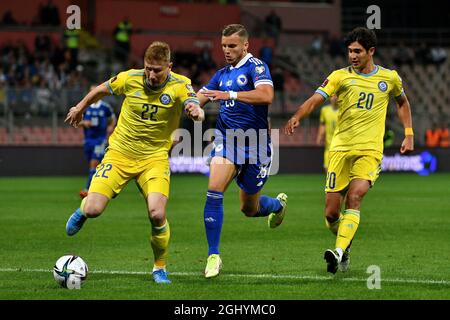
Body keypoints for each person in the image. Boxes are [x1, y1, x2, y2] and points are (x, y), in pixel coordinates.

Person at [64, 41, 204, 284]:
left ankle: (159, 268)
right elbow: (101, 89)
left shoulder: (180, 84)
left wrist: (196, 112)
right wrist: (80, 107)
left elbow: (192, 102)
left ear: (169, 67)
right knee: (94, 209)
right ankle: (83, 210)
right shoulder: (129, 78)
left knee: (157, 213)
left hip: (154, 158)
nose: (151, 74)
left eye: (157, 70)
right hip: (119, 153)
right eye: (148, 68)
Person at [284, 27, 414, 274]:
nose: (352, 56)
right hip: (340, 150)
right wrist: (298, 115)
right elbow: (315, 99)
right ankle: (345, 243)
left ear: (371, 51)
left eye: (358, 51)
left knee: (355, 197)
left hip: (370, 151)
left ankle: (339, 252)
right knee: (332, 213)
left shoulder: (390, 78)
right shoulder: (339, 77)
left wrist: (409, 134)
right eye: (350, 51)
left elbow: (402, 102)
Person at [196, 24, 288, 279]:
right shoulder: (221, 73)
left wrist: (229, 94)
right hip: (227, 140)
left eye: (232, 46)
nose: (226, 50)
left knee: (249, 209)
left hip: (256, 144)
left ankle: (277, 206)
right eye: (224, 45)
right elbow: (200, 96)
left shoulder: (257, 67)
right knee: (214, 190)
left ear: (246, 45)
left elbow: (266, 95)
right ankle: (213, 255)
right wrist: (193, 105)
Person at [78, 86, 117, 198]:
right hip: (88, 140)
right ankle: (104, 185)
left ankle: (88, 189)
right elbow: (77, 121)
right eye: (91, 91)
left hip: (100, 140)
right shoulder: (85, 107)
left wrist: (111, 126)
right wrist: (84, 123)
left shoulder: (105, 107)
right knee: (94, 165)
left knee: (94, 163)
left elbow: (113, 118)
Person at [316, 95, 338, 171]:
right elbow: (323, 124)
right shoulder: (325, 110)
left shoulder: (344, 110)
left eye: (337, 96)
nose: (335, 98)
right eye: (332, 96)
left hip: (341, 146)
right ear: (330, 98)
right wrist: (319, 136)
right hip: (329, 146)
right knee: (327, 168)